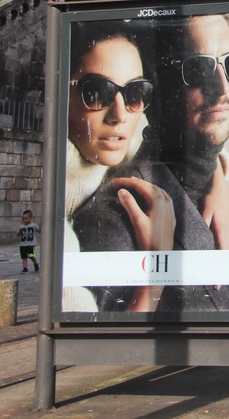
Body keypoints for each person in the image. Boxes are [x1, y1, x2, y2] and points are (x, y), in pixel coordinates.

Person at [74, 13, 229, 313]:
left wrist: (215, 175)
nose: (221, 88)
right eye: (198, 69)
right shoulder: (118, 213)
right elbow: (109, 349)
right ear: (158, 88)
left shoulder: (211, 187)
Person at [64, 21, 174, 313]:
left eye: (135, 93)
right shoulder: (55, 205)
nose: (119, 114)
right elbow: (88, 340)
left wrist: (216, 179)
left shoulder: (131, 141)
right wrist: (159, 263)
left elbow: (206, 148)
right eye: (96, 92)